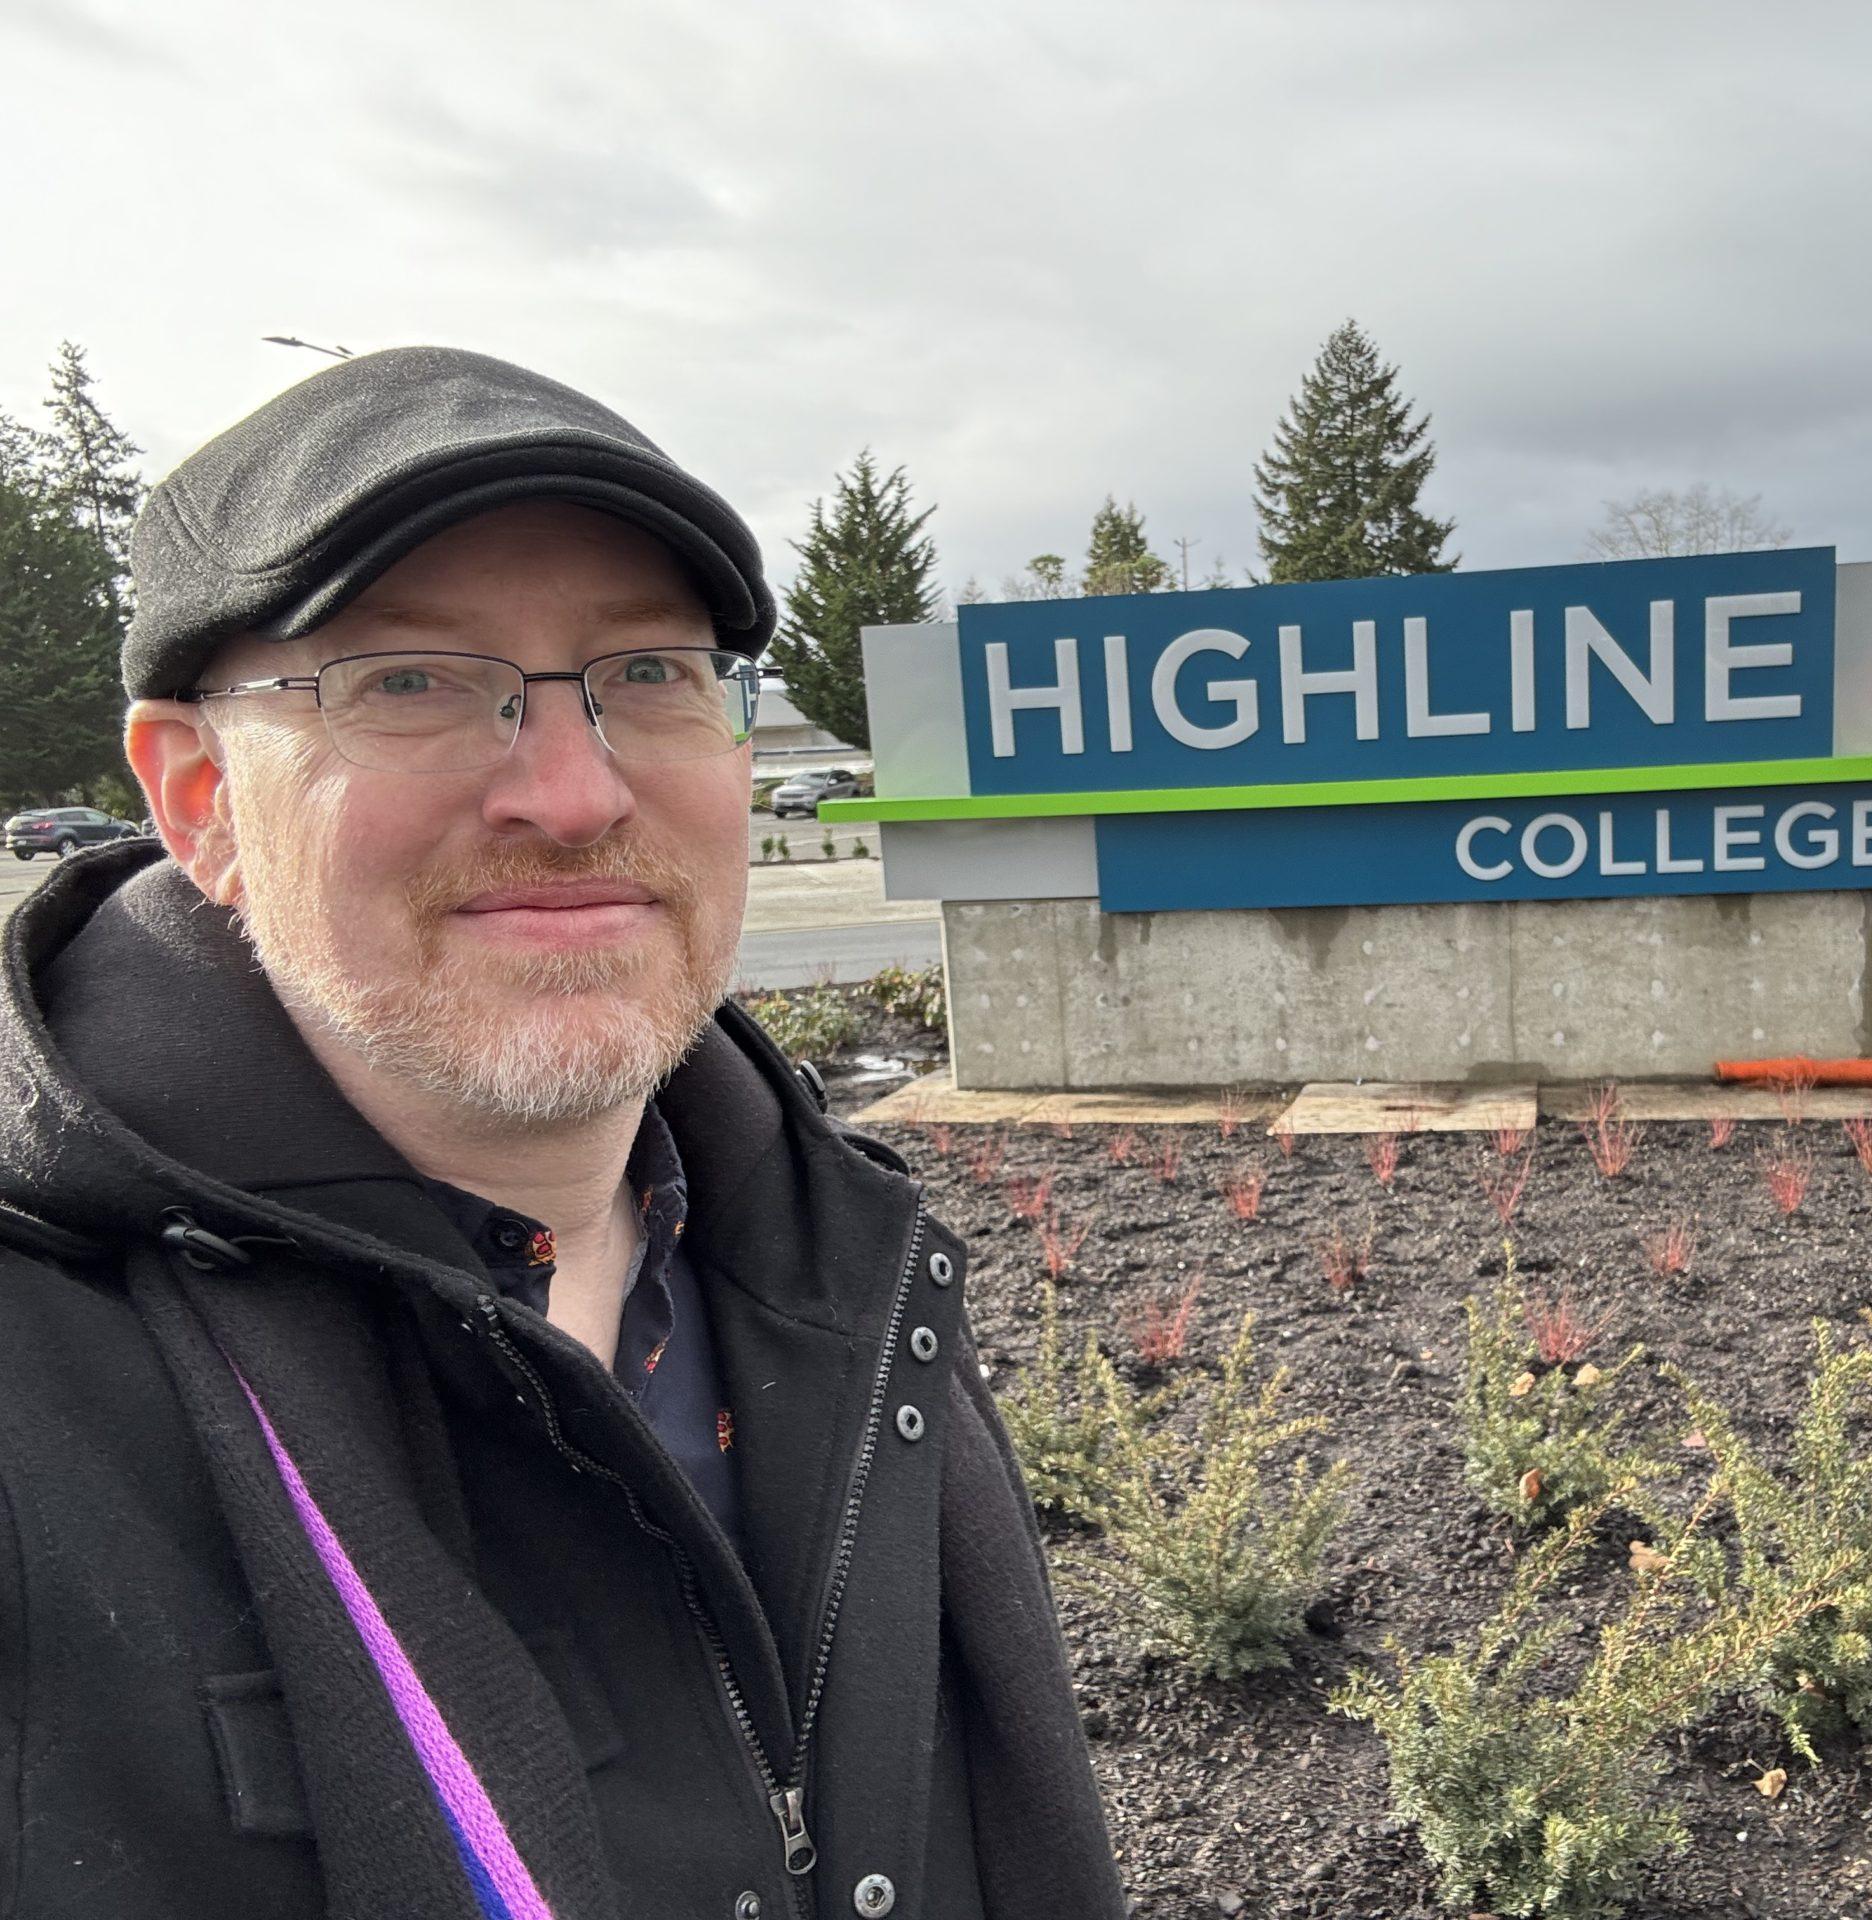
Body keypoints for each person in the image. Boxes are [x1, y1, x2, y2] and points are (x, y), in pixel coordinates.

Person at [0, 346, 1124, 1920]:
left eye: (649, 674)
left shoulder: (847, 1263)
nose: (575, 792)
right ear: (200, 801)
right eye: (411, 681)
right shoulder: (43, 1390)